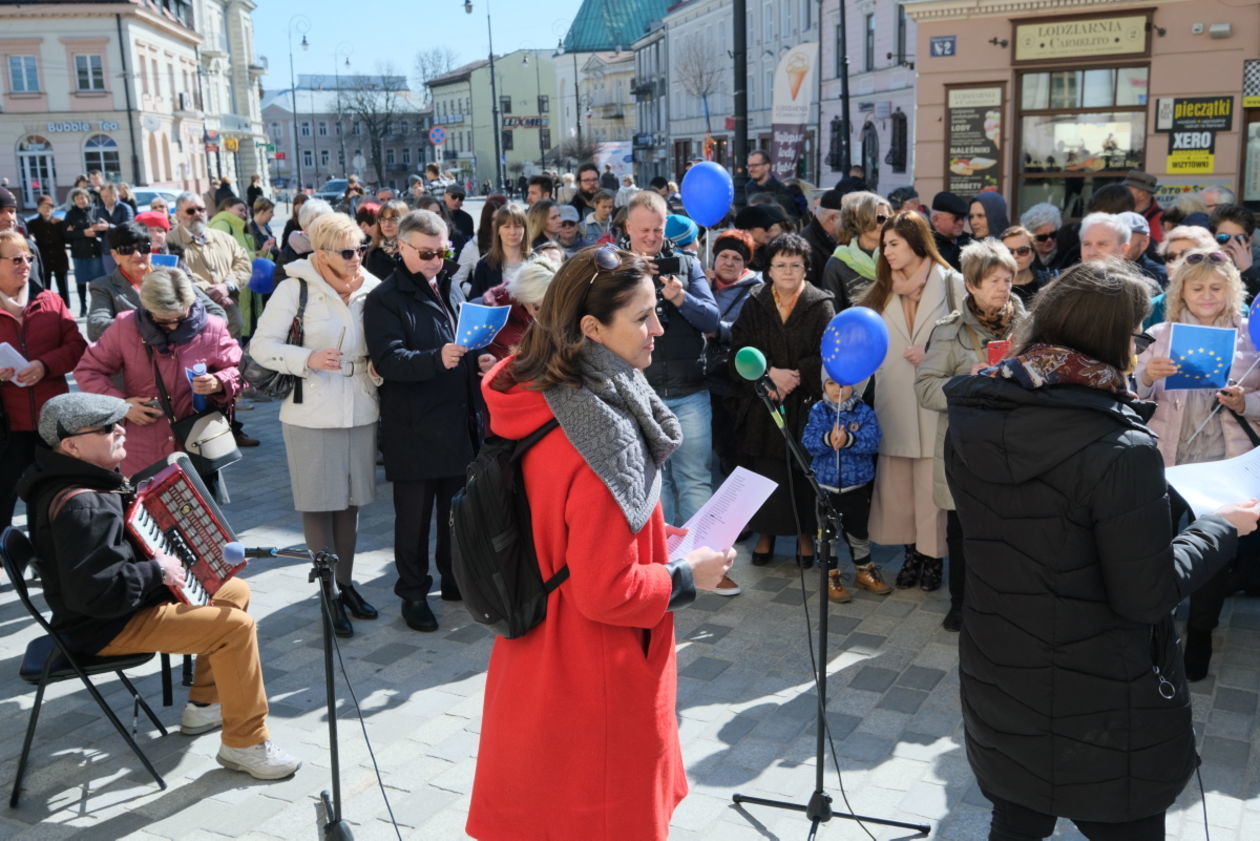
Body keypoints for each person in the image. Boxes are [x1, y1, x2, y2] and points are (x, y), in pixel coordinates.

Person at [943, 261, 1260, 841]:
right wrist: (1219, 528)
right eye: (1137, 334)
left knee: (1017, 814)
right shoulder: (1120, 447)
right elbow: (1146, 594)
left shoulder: (975, 413)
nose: (1139, 348)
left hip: (1001, 667)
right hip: (1102, 694)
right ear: (1109, 339)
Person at [467, 246, 735, 841]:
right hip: (595, 677)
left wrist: (658, 538)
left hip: (537, 659)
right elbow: (605, 589)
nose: (659, 328)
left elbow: (568, 529)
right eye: (642, 317)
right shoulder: (600, 434)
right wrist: (690, 574)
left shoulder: (546, 395)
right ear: (591, 328)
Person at [16, 392, 301, 781]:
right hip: (102, 626)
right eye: (106, 427)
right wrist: (157, 571)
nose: (120, 429)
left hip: (115, 609)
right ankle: (245, 742)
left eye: (119, 422)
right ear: (71, 445)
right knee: (234, 629)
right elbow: (95, 593)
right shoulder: (83, 505)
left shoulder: (75, 480)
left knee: (233, 592)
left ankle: (205, 704)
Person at [248, 212, 383, 637]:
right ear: (321, 253)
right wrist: (305, 359)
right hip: (310, 409)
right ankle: (326, 592)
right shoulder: (295, 287)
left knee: (351, 502)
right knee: (318, 503)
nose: (357, 257)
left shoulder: (372, 287)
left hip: (360, 404)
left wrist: (379, 367)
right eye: (347, 251)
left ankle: (346, 584)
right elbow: (261, 346)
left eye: (362, 248)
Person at [1136, 249, 1260, 681]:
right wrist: (1147, 375)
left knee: (1214, 553)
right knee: (1153, 547)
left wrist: (1247, 401)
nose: (1207, 295)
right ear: (1181, 290)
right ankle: (1153, 626)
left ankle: (1202, 631)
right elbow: (1133, 400)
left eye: (1216, 286)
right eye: (1197, 286)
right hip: (1166, 461)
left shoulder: (1251, 339)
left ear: (1231, 289)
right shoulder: (1159, 333)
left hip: (1222, 463)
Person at [365, 210, 486, 632]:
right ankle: (413, 593)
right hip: (413, 427)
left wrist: (477, 358)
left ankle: (453, 580)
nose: (436, 260)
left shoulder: (451, 285)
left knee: (456, 512)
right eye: (427, 253)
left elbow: (461, 342)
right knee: (413, 520)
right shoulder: (384, 298)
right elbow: (389, 360)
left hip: (456, 421)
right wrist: (437, 359)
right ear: (401, 248)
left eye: (442, 251)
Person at [915, 239, 1026, 631]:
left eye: (1007, 278)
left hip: (1017, 446)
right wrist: (969, 380)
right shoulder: (949, 331)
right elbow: (925, 389)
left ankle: (1008, 603)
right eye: (993, 279)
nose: (1002, 286)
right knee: (963, 530)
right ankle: (961, 603)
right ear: (972, 286)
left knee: (1012, 530)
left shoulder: (1030, 327)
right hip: (965, 447)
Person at [861, 210, 964, 591]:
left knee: (932, 488)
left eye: (893, 244)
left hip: (934, 401)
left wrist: (934, 353)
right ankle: (911, 554)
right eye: (884, 244)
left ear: (917, 244)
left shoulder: (952, 283)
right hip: (895, 401)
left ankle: (933, 559)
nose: (885, 251)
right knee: (899, 488)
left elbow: (969, 336)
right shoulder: (881, 288)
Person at [621, 192, 724, 565]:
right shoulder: (613, 265)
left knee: (695, 478)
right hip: (637, 392)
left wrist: (681, 299)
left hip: (689, 389)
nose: (651, 237)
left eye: (658, 229)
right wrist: (630, 280)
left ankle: (703, 558)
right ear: (628, 227)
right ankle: (659, 563)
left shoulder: (685, 262)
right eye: (644, 229)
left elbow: (712, 321)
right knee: (651, 482)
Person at [75, 268, 242, 495]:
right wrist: (121, 405)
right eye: (164, 321)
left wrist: (219, 382)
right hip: (142, 446)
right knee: (149, 522)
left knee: (200, 524)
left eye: (180, 318)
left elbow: (240, 370)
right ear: (147, 307)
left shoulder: (211, 327)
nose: (173, 326)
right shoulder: (126, 326)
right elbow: (88, 370)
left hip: (197, 445)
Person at [731, 233, 835, 572]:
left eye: (795, 264)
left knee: (803, 472)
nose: (788, 271)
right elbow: (739, 348)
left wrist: (796, 376)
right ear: (769, 269)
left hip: (805, 403)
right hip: (764, 400)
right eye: (780, 265)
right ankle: (766, 534)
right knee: (765, 471)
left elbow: (828, 356)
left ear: (806, 267)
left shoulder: (821, 304)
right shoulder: (755, 302)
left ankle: (806, 536)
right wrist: (770, 375)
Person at [0, 230, 87, 527]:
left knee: (52, 501)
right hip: (7, 428)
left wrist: (44, 365)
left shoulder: (51, 301)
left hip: (52, 424)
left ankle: (46, 559)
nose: (25, 264)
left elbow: (77, 347)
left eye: (28, 257)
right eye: (15, 259)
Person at [802, 372, 886, 603]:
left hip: (856, 486)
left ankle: (864, 569)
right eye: (831, 384)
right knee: (826, 534)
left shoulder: (863, 412)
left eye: (843, 384)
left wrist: (850, 439)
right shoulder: (819, 411)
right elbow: (808, 441)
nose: (837, 389)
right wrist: (828, 439)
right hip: (825, 488)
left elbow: (873, 440)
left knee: (859, 531)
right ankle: (829, 574)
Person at [87, 222, 227, 342]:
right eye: (127, 249)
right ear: (114, 255)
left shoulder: (172, 274)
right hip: (133, 368)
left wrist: (182, 330)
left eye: (143, 248)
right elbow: (95, 328)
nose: (137, 255)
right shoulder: (103, 286)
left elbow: (217, 313)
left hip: (182, 362)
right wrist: (157, 323)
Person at [705, 231, 762, 479]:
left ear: (745, 264)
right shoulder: (701, 284)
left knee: (729, 450)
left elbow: (748, 331)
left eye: (736, 258)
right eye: (724, 256)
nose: (729, 262)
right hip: (701, 377)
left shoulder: (755, 291)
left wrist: (717, 330)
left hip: (731, 381)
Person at [169, 192, 251, 340]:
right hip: (194, 323)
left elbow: (243, 263)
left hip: (231, 323)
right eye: (190, 211)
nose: (197, 214)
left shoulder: (224, 238)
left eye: (201, 209)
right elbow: (176, 274)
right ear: (178, 214)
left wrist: (227, 285)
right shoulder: (170, 241)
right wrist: (211, 292)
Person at [820, 191, 891, 309]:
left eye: (888, 219)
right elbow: (832, 310)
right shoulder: (838, 263)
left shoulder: (894, 256)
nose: (884, 224)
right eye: (879, 218)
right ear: (860, 220)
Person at [1145, 225, 1216, 327]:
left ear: (1209, 261)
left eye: (1187, 255)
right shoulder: (1152, 309)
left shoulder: (1235, 310)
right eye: (1171, 257)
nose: (1177, 262)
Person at [469, 203, 530, 300]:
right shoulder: (484, 266)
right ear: (497, 230)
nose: (512, 232)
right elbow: (475, 304)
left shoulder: (536, 262)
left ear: (525, 229)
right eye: (506, 226)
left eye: (518, 226)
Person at [27, 194, 72, 308]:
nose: (46, 209)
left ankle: (65, 308)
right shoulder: (32, 224)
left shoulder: (60, 222)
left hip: (59, 258)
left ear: (53, 209)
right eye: (43, 206)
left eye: (49, 207)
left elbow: (67, 238)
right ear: (38, 209)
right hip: (43, 259)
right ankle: (46, 308)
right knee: (45, 287)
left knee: (63, 287)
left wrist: (70, 232)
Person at [1210, 204, 1260, 300]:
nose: (1231, 244)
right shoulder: (1200, 260)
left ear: (1249, 240)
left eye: (1239, 238)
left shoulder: (1257, 263)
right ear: (1213, 237)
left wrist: (1247, 270)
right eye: (1223, 237)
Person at [998, 225, 1051, 306]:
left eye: (1022, 251)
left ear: (1033, 255)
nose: (1015, 256)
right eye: (1008, 251)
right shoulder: (994, 286)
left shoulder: (1048, 282)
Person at [802, 189, 842, 290]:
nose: (851, 225)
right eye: (848, 219)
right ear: (833, 219)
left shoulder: (827, 238)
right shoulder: (807, 246)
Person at [1020, 202, 1072, 275]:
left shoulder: (1067, 255)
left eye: (1053, 234)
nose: (1049, 240)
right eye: (1042, 237)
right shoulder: (1024, 259)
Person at [1119, 211, 1167, 288]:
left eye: (1126, 238)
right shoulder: (1098, 267)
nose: (1118, 244)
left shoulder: (1160, 275)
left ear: (1144, 242)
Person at [364, 199, 407, 281]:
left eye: (393, 219)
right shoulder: (372, 253)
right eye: (383, 219)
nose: (387, 224)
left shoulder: (415, 249)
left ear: (405, 221)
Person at [929, 191, 971, 270]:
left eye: (963, 218)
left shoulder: (967, 240)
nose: (961, 223)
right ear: (936, 220)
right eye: (956, 218)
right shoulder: (928, 247)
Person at [1123, 169, 1164, 243]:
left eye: (1127, 190)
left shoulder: (1160, 219)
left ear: (1142, 195)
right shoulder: (1121, 212)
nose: (1123, 192)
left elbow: (1157, 248)